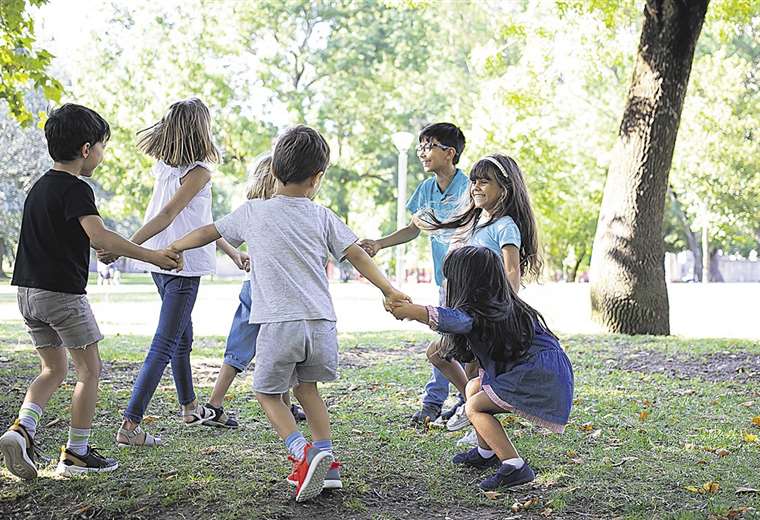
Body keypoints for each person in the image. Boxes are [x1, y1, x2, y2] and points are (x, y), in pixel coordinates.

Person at [168, 125, 409, 502]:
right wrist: (390, 289)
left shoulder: (253, 212)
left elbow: (210, 232)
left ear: (274, 171)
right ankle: (327, 462)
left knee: (266, 392)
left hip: (280, 324)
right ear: (317, 178)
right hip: (322, 325)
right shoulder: (322, 216)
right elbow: (357, 254)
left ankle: (302, 452)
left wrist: (176, 245)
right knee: (307, 389)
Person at [0, 104, 180, 479]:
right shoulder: (77, 189)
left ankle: (22, 430)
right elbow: (98, 235)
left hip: (27, 295)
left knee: (52, 368)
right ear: (86, 149)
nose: (101, 154)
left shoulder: (39, 188)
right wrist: (152, 256)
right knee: (89, 371)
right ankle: (76, 454)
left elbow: (74, 238)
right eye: (101, 146)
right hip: (62, 296)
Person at [101, 98, 248, 448]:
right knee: (166, 342)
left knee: (182, 337)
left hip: (161, 264)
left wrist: (230, 250)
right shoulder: (198, 173)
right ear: (202, 129)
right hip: (181, 266)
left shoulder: (165, 168)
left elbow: (199, 222)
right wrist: (122, 245)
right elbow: (167, 215)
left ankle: (189, 407)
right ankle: (130, 424)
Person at [389, 246, 573, 490]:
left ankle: (515, 466)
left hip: (537, 376)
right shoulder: (499, 305)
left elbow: (456, 319)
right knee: (474, 387)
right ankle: (486, 452)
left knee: (474, 407)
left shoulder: (485, 312)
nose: (447, 284)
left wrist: (413, 312)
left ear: (466, 282)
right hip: (539, 372)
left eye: (450, 279)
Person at [414, 153, 542, 442]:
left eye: (485, 182)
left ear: (504, 190)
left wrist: (504, 307)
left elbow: (512, 271)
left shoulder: (506, 226)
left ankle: (477, 423)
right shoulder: (480, 223)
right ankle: (469, 408)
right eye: (473, 181)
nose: (476, 187)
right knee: (443, 356)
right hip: (469, 311)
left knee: (468, 368)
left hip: (487, 315)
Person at [358, 122, 469, 427]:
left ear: (449, 153)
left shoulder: (470, 187)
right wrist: (379, 243)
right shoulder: (426, 190)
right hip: (444, 280)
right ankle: (461, 400)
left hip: (470, 280)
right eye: (420, 146)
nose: (422, 152)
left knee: (449, 341)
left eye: (428, 146)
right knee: (449, 340)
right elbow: (412, 229)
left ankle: (438, 402)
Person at [204, 154, 306, 428]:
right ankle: (277, 405)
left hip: (252, 286)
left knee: (241, 347)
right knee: (280, 346)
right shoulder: (281, 209)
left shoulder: (251, 209)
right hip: (271, 292)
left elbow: (219, 231)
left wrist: (240, 254)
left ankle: (215, 403)